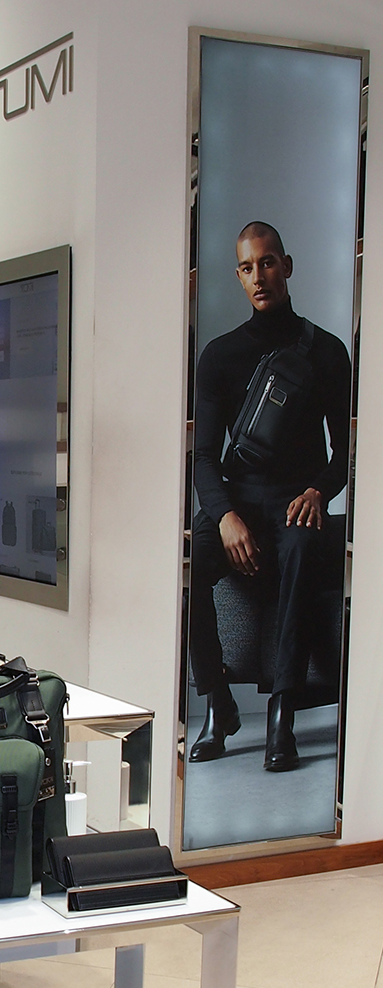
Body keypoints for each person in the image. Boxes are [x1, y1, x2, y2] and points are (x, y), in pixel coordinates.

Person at [188, 222, 351, 771]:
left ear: (287, 266)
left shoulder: (327, 352)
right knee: (191, 557)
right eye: (247, 267)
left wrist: (318, 491)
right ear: (238, 277)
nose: (258, 276)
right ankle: (218, 704)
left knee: (302, 549)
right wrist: (225, 516)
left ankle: (282, 714)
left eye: (267, 262)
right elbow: (203, 457)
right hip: (238, 499)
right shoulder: (219, 356)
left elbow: (343, 454)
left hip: (295, 502)